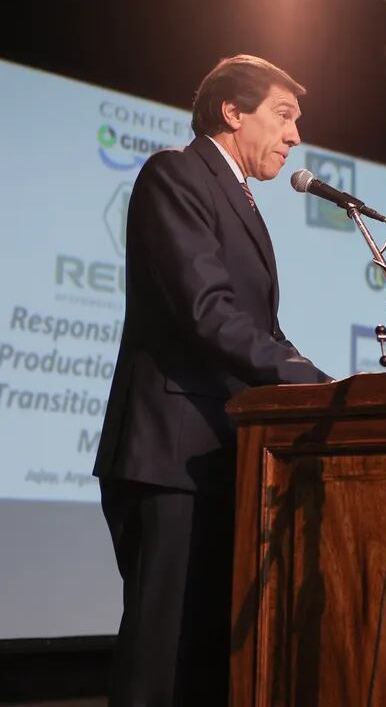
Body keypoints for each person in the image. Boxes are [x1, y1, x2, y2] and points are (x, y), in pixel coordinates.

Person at [93, 54, 332, 706]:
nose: (293, 135)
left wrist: (329, 387)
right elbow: (207, 310)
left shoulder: (239, 196)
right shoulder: (175, 174)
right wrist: (306, 379)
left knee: (203, 662)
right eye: (283, 115)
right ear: (232, 110)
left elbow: (260, 327)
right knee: (160, 662)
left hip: (220, 457)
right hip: (171, 453)